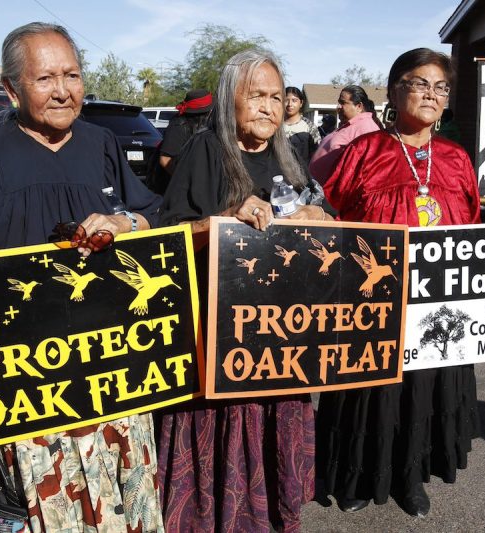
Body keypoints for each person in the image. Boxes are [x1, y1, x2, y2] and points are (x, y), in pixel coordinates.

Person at [0, 22, 164, 533]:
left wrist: (125, 223)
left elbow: (154, 213)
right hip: (28, 380)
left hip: (110, 370)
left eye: (72, 75)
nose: (63, 90)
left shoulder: (102, 143)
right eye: (45, 79)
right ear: (12, 90)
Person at [155, 49, 332, 532]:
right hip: (222, 336)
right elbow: (170, 233)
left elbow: (325, 213)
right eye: (255, 96)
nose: (268, 107)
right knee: (222, 437)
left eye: (275, 97)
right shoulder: (205, 150)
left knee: (273, 432)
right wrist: (224, 219)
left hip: (280, 336)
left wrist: (319, 214)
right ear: (229, 99)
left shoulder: (290, 154)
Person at [317, 48, 480, 518]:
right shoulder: (364, 151)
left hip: (438, 305)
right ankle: (355, 478)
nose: (432, 94)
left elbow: (474, 230)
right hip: (374, 300)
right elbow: (333, 218)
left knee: (422, 392)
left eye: (441, 87)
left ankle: (411, 480)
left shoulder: (456, 158)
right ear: (394, 90)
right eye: (420, 83)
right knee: (369, 393)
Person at [309, 85, 382, 182]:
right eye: (339, 103)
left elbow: (369, 169)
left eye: (343, 103)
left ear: (359, 106)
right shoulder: (350, 124)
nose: (338, 107)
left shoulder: (367, 128)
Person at [146, 89, 213, 195]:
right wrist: (186, 182)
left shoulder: (205, 126)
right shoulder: (178, 126)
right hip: (176, 191)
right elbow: (165, 159)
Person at [283, 86, 321, 162]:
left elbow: (317, 153)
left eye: (294, 100)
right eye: (286, 100)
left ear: (301, 103)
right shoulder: (275, 125)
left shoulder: (309, 126)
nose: (290, 104)